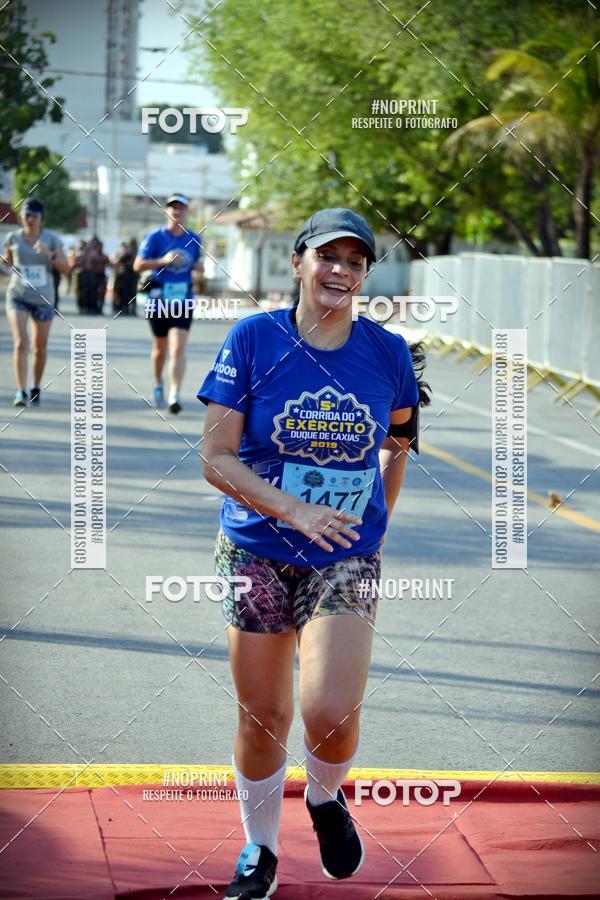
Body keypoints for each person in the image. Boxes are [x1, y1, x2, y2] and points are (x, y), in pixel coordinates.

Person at [198, 208, 426, 899]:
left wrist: (377, 524)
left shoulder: (387, 353)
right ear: (298, 262)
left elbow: (400, 439)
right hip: (258, 548)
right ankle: (259, 850)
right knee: (263, 716)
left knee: (330, 714)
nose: (341, 271)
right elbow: (214, 455)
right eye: (329, 256)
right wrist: (291, 508)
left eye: (355, 263)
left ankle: (325, 798)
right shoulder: (253, 339)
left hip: (345, 555)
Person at [133, 194, 203, 414]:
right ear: (166, 211)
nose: (177, 212)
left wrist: (198, 269)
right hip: (158, 298)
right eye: (173, 208)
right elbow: (137, 265)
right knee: (160, 348)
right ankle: (158, 383)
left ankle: (175, 394)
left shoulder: (194, 239)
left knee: (178, 347)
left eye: (181, 208)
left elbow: (197, 262)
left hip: (183, 299)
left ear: (186, 212)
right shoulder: (154, 237)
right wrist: (163, 261)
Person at [2, 198, 69, 407]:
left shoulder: (52, 240)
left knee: (39, 347)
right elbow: (8, 262)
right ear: (21, 217)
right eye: (26, 215)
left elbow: (66, 268)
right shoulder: (12, 237)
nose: (30, 219)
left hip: (43, 298)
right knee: (21, 342)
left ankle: (36, 386)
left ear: (41, 218)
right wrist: (4, 263)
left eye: (34, 216)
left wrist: (49, 255)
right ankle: (21, 391)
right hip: (18, 294)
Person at [111, 238, 139, 316]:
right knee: (125, 293)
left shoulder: (136, 252)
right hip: (127, 276)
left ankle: (130, 309)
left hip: (133, 276)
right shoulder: (129, 253)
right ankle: (124, 309)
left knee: (131, 293)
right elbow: (119, 261)